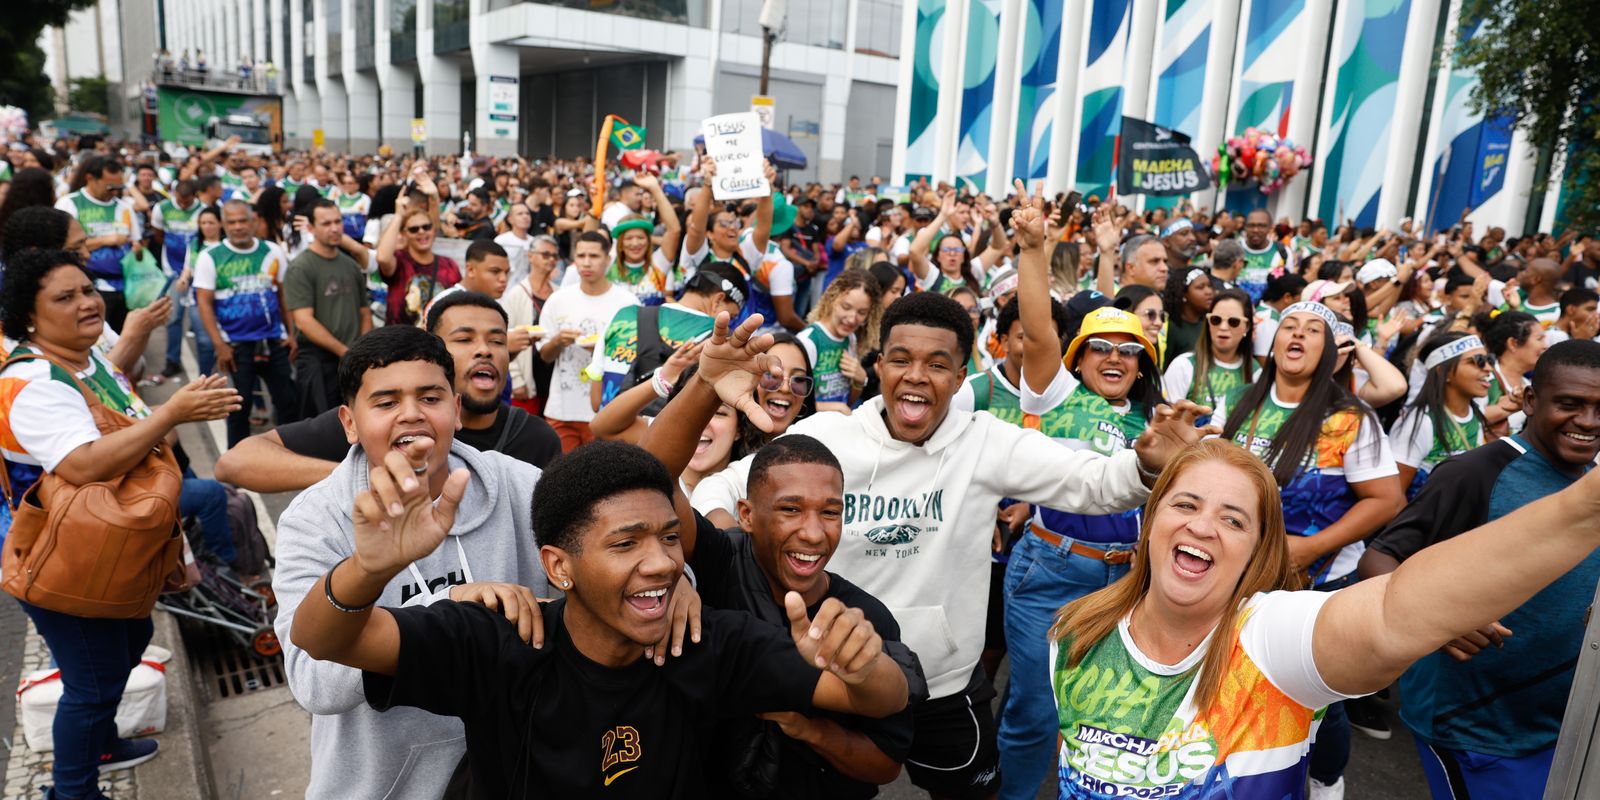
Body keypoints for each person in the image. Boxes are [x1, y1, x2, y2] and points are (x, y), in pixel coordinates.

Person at [694, 288, 1215, 799]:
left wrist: (1147, 464)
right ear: (880, 366)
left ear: (961, 376)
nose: (916, 376)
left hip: (944, 684)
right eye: (901, 359)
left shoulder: (985, 441)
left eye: (937, 364)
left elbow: (1093, 483)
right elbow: (723, 488)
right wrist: (734, 553)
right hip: (841, 679)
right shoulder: (831, 436)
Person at [287, 432, 907, 797]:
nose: (661, 563)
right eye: (625, 543)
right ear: (559, 567)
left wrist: (863, 667)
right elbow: (321, 639)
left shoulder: (710, 643)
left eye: (669, 538)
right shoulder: (499, 643)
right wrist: (367, 569)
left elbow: (882, 700)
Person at [1047, 433, 1600, 799]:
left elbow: (1391, 612)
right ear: (1150, 520)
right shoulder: (1077, 633)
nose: (1202, 526)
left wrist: (1586, 506)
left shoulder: (1269, 640)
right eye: (1185, 504)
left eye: (1234, 520)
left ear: (1257, 552)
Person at [269, 324, 563, 800]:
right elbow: (314, 681)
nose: (411, 414)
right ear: (349, 423)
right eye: (386, 403)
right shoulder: (315, 519)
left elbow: (604, 561)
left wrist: (676, 589)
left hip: (517, 775)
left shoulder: (521, 485)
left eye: (430, 398)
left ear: (457, 410)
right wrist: (451, 609)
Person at [0, 248, 242, 800]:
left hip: (103, 546)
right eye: (65, 297)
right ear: (29, 317)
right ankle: (73, 792)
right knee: (90, 683)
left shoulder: (87, 361)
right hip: (58, 558)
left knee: (132, 639)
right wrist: (171, 413)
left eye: (88, 290)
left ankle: (101, 743)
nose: (87, 303)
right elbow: (84, 465)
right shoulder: (33, 382)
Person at [640, 347, 924, 798]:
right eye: (790, 509)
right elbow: (652, 478)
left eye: (829, 512)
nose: (813, 533)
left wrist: (808, 727)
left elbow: (886, 764)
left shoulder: (863, 620)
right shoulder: (719, 563)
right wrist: (705, 384)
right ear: (747, 515)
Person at [1359, 340, 1600, 800]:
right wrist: (1435, 618)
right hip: (1472, 727)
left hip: (1555, 725)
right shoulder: (1477, 473)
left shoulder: (1592, 478)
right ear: (1530, 400)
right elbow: (1378, 558)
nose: (1588, 421)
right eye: (1570, 404)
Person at [995, 195, 1168, 799]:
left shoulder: (1156, 421)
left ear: (1144, 364)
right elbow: (1038, 326)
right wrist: (1034, 248)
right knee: (1036, 713)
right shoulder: (1055, 395)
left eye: (1129, 349)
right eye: (1101, 347)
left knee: (1111, 720)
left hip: (1130, 584)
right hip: (1050, 573)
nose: (1115, 356)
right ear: (1078, 357)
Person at [1216, 300, 1404, 797]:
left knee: (1319, 695)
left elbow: (1387, 499)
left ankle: (1325, 780)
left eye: (1312, 331)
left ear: (1329, 352)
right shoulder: (1239, 402)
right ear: (1274, 342)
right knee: (1236, 675)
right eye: (1289, 327)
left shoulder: (1350, 418)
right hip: (1240, 574)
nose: (1297, 335)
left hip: (1319, 580)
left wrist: (1310, 548)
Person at [216, 291, 562, 494]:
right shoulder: (379, 425)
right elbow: (235, 463)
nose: (484, 350)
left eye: (497, 341)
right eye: (464, 339)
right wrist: (365, 476)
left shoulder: (535, 439)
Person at [194, 199, 301, 447]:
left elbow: (283, 295)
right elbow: (204, 304)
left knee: (288, 402)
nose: (238, 227)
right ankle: (237, 464)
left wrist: (292, 333)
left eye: (243, 220)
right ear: (223, 224)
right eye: (232, 222)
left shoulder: (272, 251)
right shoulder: (210, 257)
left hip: (273, 341)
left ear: (253, 221)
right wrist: (219, 345)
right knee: (238, 410)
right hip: (235, 347)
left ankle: (290, 456)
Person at [592, 261, 748, 409]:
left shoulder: (624, 315)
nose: (730, 322)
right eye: (732, 316)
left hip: (606, 425)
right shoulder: (721, 341)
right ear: (718, 300)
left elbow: (596, 401)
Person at [539, 231, 639, 451]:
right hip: (562, 410)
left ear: (608, 259)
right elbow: (545, 355)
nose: (586, 262)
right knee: (561, 470)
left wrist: (602, 350)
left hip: (609, 411)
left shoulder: (627, 303)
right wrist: (558, 341)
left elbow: (636, 357)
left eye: (593, 256)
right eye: (581, 256)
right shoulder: (558, 300)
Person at [285, 198, 372, 417]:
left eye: (337, 221)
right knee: (322, 427)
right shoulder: (301, 267)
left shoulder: (350, 265)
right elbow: (304, 321)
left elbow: (364, 311)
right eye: (326, 223)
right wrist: (344, 352)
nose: (334, 228)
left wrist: (362, 350)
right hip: (318, 360)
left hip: (353, 359)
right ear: (311, 228)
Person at [1390, 332, 1490, 495]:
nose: (1488, 368)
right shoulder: (1420, 422)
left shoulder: (1475, 414)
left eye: (1489, 360)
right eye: (1478, 361)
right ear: (1445, 372)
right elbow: (1395, 495)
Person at [55, 155, 139, 332]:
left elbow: (137, 243)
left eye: (118, 187)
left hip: (125, 288)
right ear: (90, 179)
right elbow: (60, 247)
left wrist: (137, 249)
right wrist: (105, 240)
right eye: (109, 186)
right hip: (86, 287)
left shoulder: (124, 207)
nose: (114, 191)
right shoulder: (69, 204)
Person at [581, 174, 683, 306]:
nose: (635, 243)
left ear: (648, 240)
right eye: (628, 238)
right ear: (620, 243)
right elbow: (588, 243)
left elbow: (674, 230)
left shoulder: (658, 264)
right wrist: (595, 208)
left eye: (640, 237)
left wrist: (655, 189)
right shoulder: (608, 264)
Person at [376, 172, 460, 326]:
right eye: (414, 229)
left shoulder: (449, 265)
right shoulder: (400, 262)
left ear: (433, 230)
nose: (421, 232)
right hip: (400, 338)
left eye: (426, 227)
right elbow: (382, 257)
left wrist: (434, 197)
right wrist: (399, 216)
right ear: (404, 234)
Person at [796, 269, 880, 413]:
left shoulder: (850, 339)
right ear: (832, 299)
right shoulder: (808, 341)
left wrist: (860, 380)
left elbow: (848, 402)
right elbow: (793, 403)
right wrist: (835, 408)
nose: (852, 319)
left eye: (862, 312)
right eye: (846, 307)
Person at [1162, 288, 1256, 410]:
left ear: (1247, 327)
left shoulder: (1256, 372)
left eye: (1234, 322)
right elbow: (1165, 417)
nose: (1223, 327)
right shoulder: (1183, 365)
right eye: (1216, 320)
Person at [149, 179, 206, 378]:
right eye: (179, 201)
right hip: (173, 271)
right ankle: (172, 360)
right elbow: (158, 235)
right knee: (174, 318)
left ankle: (209, 361)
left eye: (186, 202)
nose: (182, 205)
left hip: (199, 272)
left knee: (202, 321)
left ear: (195, 196)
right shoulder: (162, 208)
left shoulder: (203, 210)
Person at [503, 234, 559, 415]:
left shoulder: (559, 293)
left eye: (554, 256)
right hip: (528, 375)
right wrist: (516, 379)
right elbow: (505, 337)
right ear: (530, 256)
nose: (551, 260)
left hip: (553, 373)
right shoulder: (517, 294)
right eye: (545, 254)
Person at [1161, 266, 1215, 362]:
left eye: (1209, 286)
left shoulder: (1209, 323)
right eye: (1200, 287)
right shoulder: (1170, 328)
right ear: (1183, 293)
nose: (1209, 292)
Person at [1238, 208, 1290, 302]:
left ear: (1270, 228)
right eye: (1251, 225)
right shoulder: (1235, 249)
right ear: (1245, 227)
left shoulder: (1282, 252)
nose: (1256, 230)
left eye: (1261, 226)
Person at [332, 171, 370, 242]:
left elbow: (366, 219)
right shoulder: (339, 199)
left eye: (350, 183)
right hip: (343, 237)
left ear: (357, 185)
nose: (347, 185)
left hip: (360, 236)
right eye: (345, 183)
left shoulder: (364, 198)